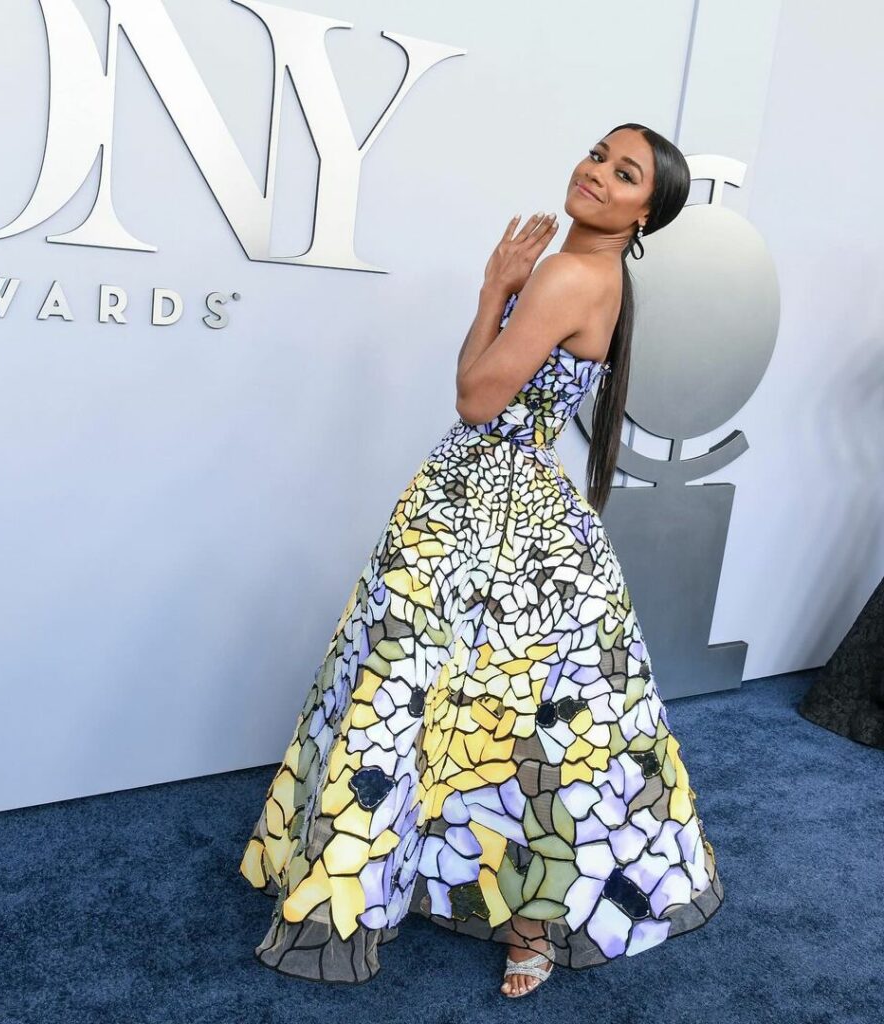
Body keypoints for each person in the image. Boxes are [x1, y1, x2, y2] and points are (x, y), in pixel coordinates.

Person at [238, 124, 724, 997]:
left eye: (625, 175)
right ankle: (523, 917)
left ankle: (480, 906)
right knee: (524, 718)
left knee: (439, 699)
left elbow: (472, 396)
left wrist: (499, 288)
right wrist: (496, 293)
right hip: (511, 505)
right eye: (597, 155)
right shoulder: (588, 274)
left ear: (646, 213)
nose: (596, 175)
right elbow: (485, 390)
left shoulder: (573, 274)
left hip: (487, 513)